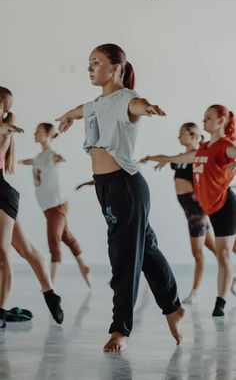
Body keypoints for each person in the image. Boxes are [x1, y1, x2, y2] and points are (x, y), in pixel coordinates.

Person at [55, 43, 185, 352]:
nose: (90, 68)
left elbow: (139, 104)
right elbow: (79, 111)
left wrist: (149, 107)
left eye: (96, 62)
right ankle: (173, 306)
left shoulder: (126, 99)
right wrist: (66, 118)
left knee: (124, 258)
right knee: (147, 249)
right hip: (107, 187)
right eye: (89, 63)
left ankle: (120, 329)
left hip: (126, 187)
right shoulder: (98, 103)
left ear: (116, 68)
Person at [150, 105, 236, 316]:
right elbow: (180, 159)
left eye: (209, 118)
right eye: (204, 117)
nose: (204, 121)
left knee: (223, 253)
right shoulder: (204, 148)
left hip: (225, 204)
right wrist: (156, 159)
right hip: (210, 208)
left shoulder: (225, 145)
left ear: (221, 121)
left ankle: (220, 303)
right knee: (223, 252)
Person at [0, 86, 63, 327]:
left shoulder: (5, 133)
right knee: (25, 248)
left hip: (1, 195)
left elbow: (3, 132)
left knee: (3, 254)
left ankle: (1, 313)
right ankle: (50, 293)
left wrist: (5, 128)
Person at [140, 122, 216, 304]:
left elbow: (172, 159)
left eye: (182, 134)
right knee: (217, 249)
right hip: (190, 210)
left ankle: (195, 292)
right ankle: (230, 273)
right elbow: (170, 158)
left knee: (197, 253)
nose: (178, 137)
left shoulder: (198, 156)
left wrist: (160, 160)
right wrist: (152, 158)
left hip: (197, 210)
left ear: (194, 136)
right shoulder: (183, 157)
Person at [19, 123, 90, 287]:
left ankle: (49, 284)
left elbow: (57, 158)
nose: (35, 134)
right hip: (48, 206)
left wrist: (59, 159)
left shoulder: (52, 155)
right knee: (67, 237)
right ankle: (83, 266)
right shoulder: (39, 157)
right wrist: (20, 161)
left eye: (38, 131)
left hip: (56, 205)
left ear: (48, 134)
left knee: (53, 241)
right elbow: (34, 161)